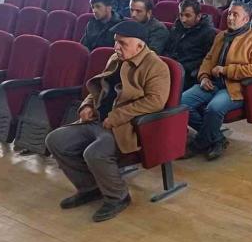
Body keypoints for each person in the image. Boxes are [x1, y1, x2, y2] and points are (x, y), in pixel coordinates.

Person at [45, 21, 170, 222]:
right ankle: (90, 187)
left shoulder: (156, 66)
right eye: (115, 42)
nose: (116, 47)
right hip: (98, 119)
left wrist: (116, 116)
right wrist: (86, 105)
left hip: (125, 127)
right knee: (55, 140)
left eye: (122, 43)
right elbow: (99, 87)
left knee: (95, 153)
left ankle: (118, 196)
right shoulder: (115, 58)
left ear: (139, 46)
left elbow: (155, 102)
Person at [181, 2, 252, 160]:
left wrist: (225, 70)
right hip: (212, 83)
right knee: (182, 103)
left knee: (214, 108)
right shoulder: (221, 36)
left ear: (246, 19)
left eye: (235, 15)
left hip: (235, 87)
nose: (230, 18)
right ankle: (217, 138)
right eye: (229, 14)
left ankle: (199, 144)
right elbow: (208, 59)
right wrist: (203, 77)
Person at [162, 0, 217, 89]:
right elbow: (167, 48)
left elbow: (208, 59)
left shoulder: (208, 33)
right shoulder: (177, 26)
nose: (183, 20)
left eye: (188, 16)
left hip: (188, 74)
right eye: (181, 15)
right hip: (169, 68)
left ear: (198, 16)